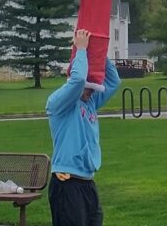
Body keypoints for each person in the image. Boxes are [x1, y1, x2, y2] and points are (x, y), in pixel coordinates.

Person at [46, 29, 121, 226]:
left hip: (87, 182)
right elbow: (78, 80)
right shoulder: (59, 103)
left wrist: (97, 53)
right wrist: (81, 50)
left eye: (93, 87)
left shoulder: (90, 103)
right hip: (66, 182)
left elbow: (114, 82)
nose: (91, 91)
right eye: (89, 87)